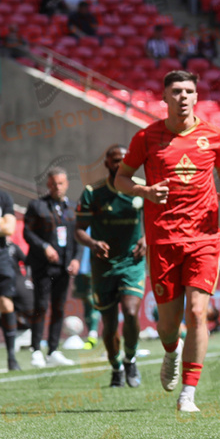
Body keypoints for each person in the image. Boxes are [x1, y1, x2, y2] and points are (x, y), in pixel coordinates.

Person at [115, 70, 220, 413]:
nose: (183, 96)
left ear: (196, 97)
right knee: (169, 323)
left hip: (204, 237)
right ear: (165, 97)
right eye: (176, 91)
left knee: (198, 312)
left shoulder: (214, 136)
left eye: (189, 91)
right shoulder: (146, 137)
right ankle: (171, 351)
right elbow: (121, 179)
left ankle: (189, 393)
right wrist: (145, 190)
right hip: (164, 238)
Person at [75, 145, 147, 388]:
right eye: (115, 160)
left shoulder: (140, 188)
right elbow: (78, 230)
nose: (119, 164)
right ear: (107, 163)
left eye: (124, 160)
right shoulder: (92, 193)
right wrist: (93, 243)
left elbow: (159, 218)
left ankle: (131, 357)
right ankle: (115, 366)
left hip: (131, 262)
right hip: (103, 265)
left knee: (131, 312)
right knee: (109, 324)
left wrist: (146, 239)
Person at [23, 167, 82, 368]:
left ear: (66, 184)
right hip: (43, 267)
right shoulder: (37, 206)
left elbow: (78, 238)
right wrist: (44, 246)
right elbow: (27, 233)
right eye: (53, 184)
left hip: (64, 268)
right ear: (48, 185)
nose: (57, 187)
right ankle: (36, 350)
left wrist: (76, 259)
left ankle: (54, 350)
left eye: (61, 183)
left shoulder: (72, 208)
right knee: (41, 305)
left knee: (58, 308)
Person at [0, 188, 19, 370]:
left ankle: (12, 356)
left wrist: (4, 225)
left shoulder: (4, 196)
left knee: (6, 303)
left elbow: (9, 228)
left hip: (1, 258)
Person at [70, 235, 99, 349]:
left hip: (93, 265)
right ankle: (91, 334)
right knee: (86, 301)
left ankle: (93, 333)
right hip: (80, 266)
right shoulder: (77, 219)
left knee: (92, 299)